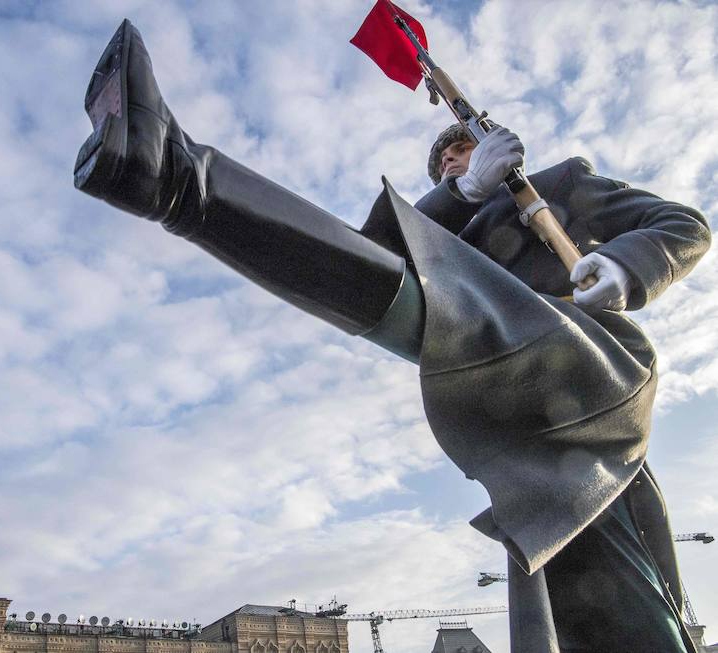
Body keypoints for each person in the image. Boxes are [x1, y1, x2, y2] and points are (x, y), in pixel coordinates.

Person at [74, 19, 711, 652]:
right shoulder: (447, 227)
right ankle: (170, 177)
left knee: (452, 311)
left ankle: (177, 180)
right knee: (609, 617)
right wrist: (463, 193)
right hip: (523, 437)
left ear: (495, 144)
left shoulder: (564, 187)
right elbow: (358, 255)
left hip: (592, 374)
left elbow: (682, 223)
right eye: (443, 167)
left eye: (459, 153)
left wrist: (630, 266)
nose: (450, 167)